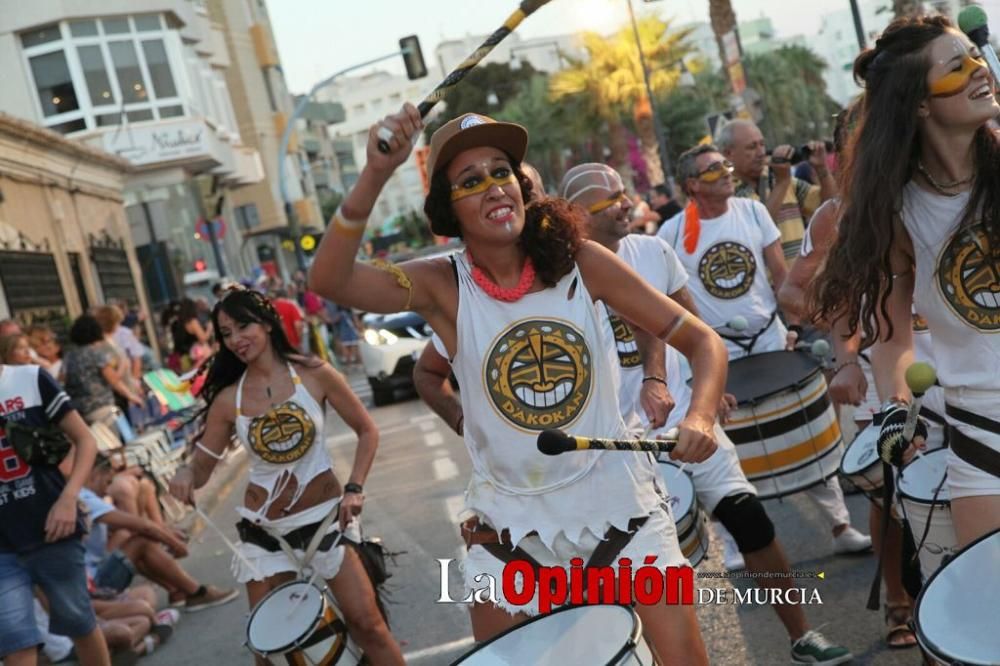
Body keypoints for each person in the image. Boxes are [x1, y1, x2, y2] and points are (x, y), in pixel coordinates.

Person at [307, 106, 728, 663]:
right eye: (470, 180)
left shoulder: (583, 263)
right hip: (509, 538)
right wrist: (376, 173)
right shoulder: (441, 286)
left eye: (501, 170)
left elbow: (701, 342)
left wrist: (699, 416)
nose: (493, 186)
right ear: (447, 209)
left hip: (622, 514)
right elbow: (329, 279)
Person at [559, 161, 852, 664]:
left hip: (690, 426)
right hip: (623, 450)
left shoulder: (652, 250)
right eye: (610, 199)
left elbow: (697, 331)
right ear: (578, 214)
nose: (626, 203)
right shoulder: (559, 281)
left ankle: (801, 634)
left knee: (752, 521)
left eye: (623, 191)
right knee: (649, 571)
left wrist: (706, 393)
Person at [811, 14, 1000, 551]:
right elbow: (892, 333)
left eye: (976, 57)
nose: (978, 70)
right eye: (956, 66)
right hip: (982, 440)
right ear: (919, 103)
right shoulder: (896, 210)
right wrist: (896, 405)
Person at [168, 288, 403, 664]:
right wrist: (183, 472)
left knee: (369, 626)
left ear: (267, 322)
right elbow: (200, 469)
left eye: (243, 326)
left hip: (326, 524)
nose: (236, 340)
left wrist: (355, 488)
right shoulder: (230, 399)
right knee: (268, 650)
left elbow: (367, 431)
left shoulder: (315, 374)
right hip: (265, 537)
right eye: (226, 333)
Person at [658, 144, 871, 557]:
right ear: (691, 185)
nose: (725, 170)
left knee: (805, 431)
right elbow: (675, 303)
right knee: (723, 448)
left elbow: (781, 275)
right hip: (719, 353)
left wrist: (793, 324)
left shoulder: (752, 211)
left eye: (725, 162)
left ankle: (840, 524)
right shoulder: (670, 234)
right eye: (713, 168)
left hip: (768, 338)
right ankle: (736, 546)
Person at [0, 361, 111, 666]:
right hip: (2, 549)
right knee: (17, 644)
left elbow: (85, 439)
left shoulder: (30, 378)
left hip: (52, 528)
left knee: (80, 624)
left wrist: (69, 497)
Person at [81, 451, 237, 611]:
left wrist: (164, 532)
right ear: (95, 474)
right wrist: (174, 543)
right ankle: (196, 592)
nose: (107, 491)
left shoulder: (83, 497)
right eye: (107, 482)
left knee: (132, 536)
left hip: (93, 573)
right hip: (94, 582)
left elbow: (135, 527)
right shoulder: (85, 498)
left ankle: (176, 590)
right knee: (141, 541)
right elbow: (142, 525)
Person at [716, 119, 837, 261]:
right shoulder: (725, 193)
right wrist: (782, 183)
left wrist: (822, 169)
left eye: (762, 144)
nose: (761, 152)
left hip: (803, 279)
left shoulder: (776, 176)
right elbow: (757, 233)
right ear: (728, 154)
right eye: (752, 147)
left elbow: (829, 206)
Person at [62, 315, 144, 428]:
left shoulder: (69, 356)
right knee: (116, 442)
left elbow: (62, 379)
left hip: (79, 412)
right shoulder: (96, 353)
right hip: (102, 408)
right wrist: (132, 396)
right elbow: (113, 380)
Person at [270, 286, 306, 352]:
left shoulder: (271, 307)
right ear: (285, 295)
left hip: (277, 346)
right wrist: (299, 341)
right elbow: (298, 325)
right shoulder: (291, 306)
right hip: (292, 344)